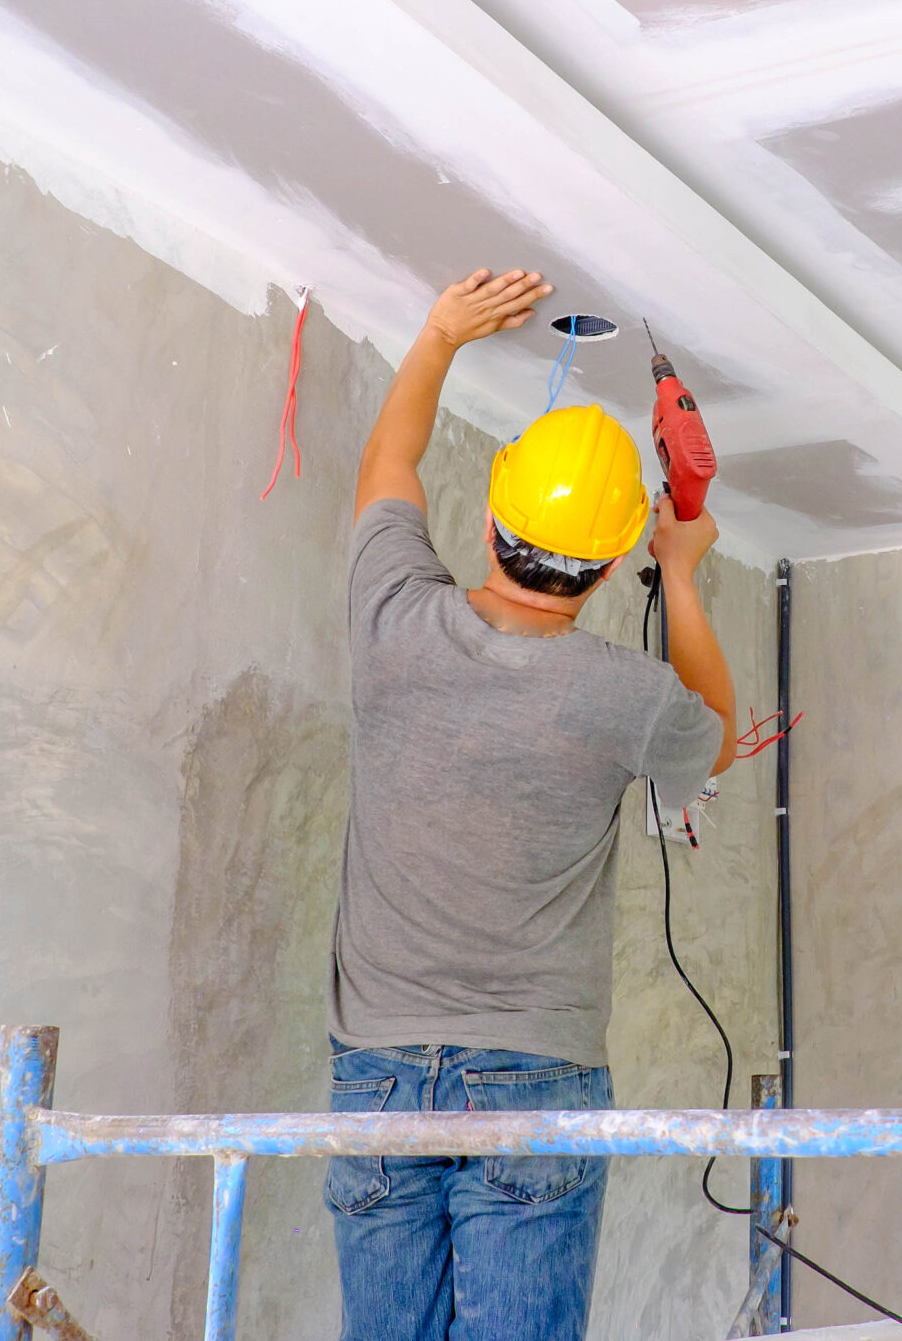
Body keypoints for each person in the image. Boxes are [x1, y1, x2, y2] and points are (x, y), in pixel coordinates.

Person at [325, 266, 737, 1341]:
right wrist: (683, 573)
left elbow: (389, 464)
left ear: (491, 518)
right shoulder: (622, 698)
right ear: (606, 574)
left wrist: (440, 335)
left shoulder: (392, 624)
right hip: (533, 1074)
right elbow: (715, 731)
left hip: (374, 1074)